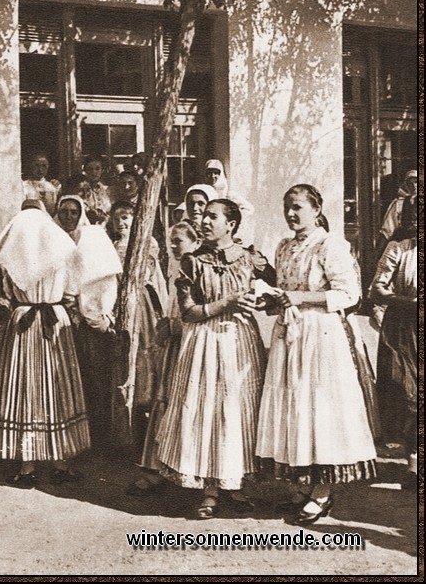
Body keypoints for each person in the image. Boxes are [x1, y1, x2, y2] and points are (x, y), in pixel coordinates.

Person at [256, 184, 377, 524]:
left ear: (316, 208)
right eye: (287, 208)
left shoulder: (330, 245)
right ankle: (302, 485)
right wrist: (272, 301)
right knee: (294, 408)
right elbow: (286, 291)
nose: (291, 214)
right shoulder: (283, 247)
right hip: (290, 334)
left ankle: (323, 491)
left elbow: (349, 294)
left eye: (297, 207)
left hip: (321, 336)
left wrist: (300, 298)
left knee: (320, 408)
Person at [156, 201, 274, 517]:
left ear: (231, 224)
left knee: (237, 409)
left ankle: (234, 484)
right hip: (203, 341)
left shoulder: (252, 258)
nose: (204, 220)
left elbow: (277, 295)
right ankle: (208, 490)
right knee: (207, 409)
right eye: (204, 215)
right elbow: (188, 311)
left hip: (240, 341)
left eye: (213, 216)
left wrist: (260, 301)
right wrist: (227, 304)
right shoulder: (192, 262)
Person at [0, 204, 90, 487]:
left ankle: (27, 465)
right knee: (55, 387)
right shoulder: (61, 248)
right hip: (53, 320)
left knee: (26, 388)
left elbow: (1, 291)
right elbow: (73, 288)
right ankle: (60, 461)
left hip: (24, 321)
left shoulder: (9, 255)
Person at [128, 220, 201, 496]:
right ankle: (157, 469)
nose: (173, 245)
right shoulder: (174, 268)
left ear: (195, 242)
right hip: (174, 344)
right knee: (163, 403)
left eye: (179, 240)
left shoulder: (198, 267)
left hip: (191, 343)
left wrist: (174, 327)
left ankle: (186, 469)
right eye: (171, 240)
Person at [56, 195, 122, 449]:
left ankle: (99, 436)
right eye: (64, 212)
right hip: (63, 319)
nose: (69, 217)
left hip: (88, 321)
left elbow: (99, 282)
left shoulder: (90, 240)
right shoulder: (54, 239)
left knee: (95, 379)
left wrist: (90, 313)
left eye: (74, 212)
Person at [108, 200, 168, 449]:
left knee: (143, 354)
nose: (121, 223)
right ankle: (125, 429)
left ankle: (144, 422)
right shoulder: (112, 245)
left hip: (140, 301)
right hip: (118, 299)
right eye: (117, 219)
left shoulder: (147, 243)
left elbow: (146, 274)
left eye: (126, 218)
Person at [369, 195, 417, 489]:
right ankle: (413, 464)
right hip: (403, 329)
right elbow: (376, 290)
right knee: (410, 395)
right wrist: (408, 302)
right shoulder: (398, 249)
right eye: (412, 212)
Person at [203, 159, 255, 246]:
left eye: (216, 173)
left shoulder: (228, 194)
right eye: (209, 173)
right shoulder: (203, 192)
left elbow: (249, 209)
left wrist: (231, 217)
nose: (212, 176)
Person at [376, 169, 417, 257]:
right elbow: (388, 229)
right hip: (405, 247)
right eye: (410, 183)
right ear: (406, 185)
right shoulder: (400, 203)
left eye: (417, 182)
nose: (414, 186)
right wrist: (377, 254)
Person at [82, 155, 112, 223]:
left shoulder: (107, 191)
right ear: (85, 171)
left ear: (102, 170)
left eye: (97, 169)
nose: (94, 172)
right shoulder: (80, 190)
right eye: (90, 169)